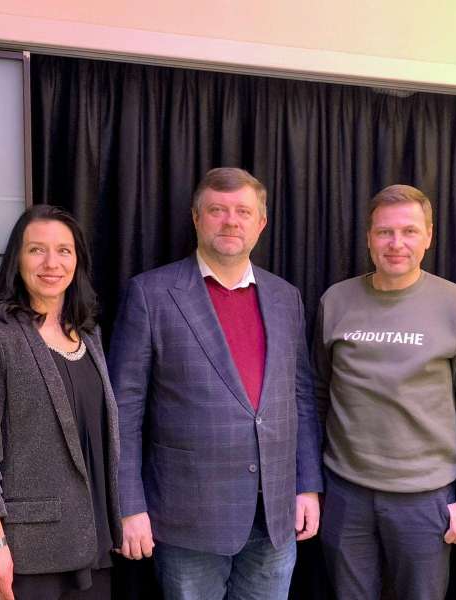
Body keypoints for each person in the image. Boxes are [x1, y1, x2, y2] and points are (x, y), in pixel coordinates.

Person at [108, 167, 323, 599]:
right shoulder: (151, 294)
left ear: (261, 223)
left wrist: (307, 485)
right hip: (188, 517)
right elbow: (122, 412)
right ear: (196, 218)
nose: (230, 221)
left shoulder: (286, 297)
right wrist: (128, 506)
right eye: (217, 210)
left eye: (243, 211)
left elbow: (300, 397)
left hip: (275, 515)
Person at [314, 184, 456, 599]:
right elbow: (316, 396)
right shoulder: (336, 301)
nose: (396, 243)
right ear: (369, 237)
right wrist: (311, 483)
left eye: (409, 231)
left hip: (425, 500)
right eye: (384, 232)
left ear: (428, 236)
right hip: (346, 494)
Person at [0, 205, 122, 600]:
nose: (52, 263)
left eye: (64, 250)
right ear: (17, 260)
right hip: (30, 553)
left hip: (93, 545)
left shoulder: (90, 336)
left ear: (77, 261)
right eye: (36, 250)